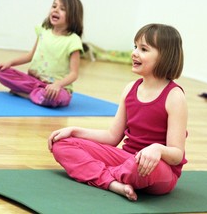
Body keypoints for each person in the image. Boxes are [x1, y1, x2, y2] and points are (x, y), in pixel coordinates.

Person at [48, 23, 188, 201]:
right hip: (126, 160)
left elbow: (176, 155)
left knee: (135, 166)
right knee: (62, 144)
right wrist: (74, 131)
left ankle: (100, 174)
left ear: (165, 57)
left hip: (158, 170)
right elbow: (112, 136)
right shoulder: (130, 89)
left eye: (143, 49)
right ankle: (113, 183)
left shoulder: (175, 96)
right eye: (135, 47)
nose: (135, 53)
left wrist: (157, 149)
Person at [0, 0, 84, 107]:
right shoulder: (43, 30)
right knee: (2, 72)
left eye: (62, 9)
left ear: (73, 15)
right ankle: (34, 94)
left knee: (54, 98)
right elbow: (30, 56)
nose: (55, 10)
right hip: (33, 81)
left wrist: (57, 85)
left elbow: (74, 74)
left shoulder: (73, 40)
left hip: (56, 88)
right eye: (54, 6)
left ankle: (25, 94)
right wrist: (10, 63)